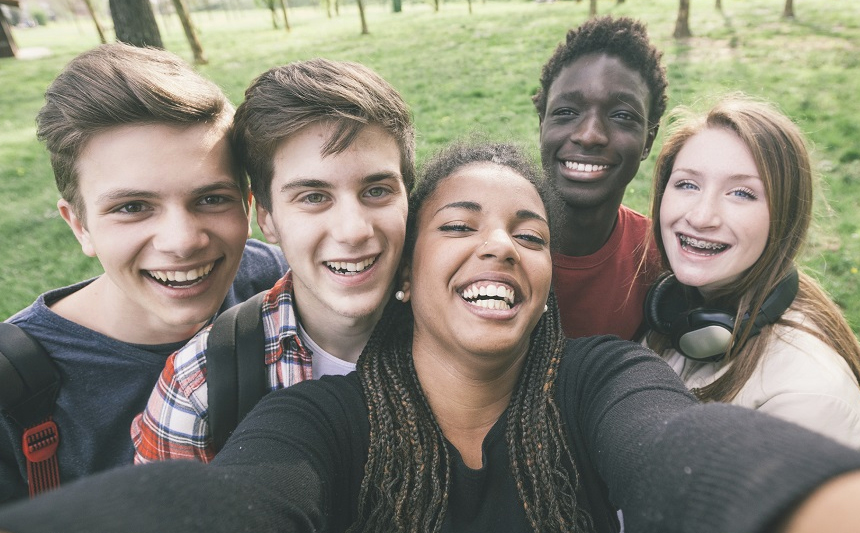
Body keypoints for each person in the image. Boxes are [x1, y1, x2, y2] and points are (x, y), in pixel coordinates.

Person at [3, 141, 860, 533]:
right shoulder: (320, 421)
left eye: (529, 234)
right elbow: (237, 498)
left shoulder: (604, 377)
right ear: (408, 272)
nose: (499, 244)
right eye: (461, 223)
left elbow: (677, 444)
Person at [0, 43, 288, 503]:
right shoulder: (14, 390)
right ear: (80, 225)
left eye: (211, 198)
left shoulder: (280, 285)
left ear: (247, 205)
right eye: (133, 207)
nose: (182, 240)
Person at [130, 58, 415, 463]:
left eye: (377, 190)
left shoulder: (468, 330)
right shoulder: (200, 387)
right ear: (266, 218)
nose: (353, 231)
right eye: (314, 197)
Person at [643, 94, 860, 448]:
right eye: (687, 184)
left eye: (741, 193)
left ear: (783, 217)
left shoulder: (808, 399)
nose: (701, 216)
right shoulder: (676, 315)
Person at [533, 16, 666, 340]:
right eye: (566, 112)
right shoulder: (489, 243)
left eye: (621, 116)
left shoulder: (659, 259)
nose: (590, 135)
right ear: (541, 125)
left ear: (648, 140)